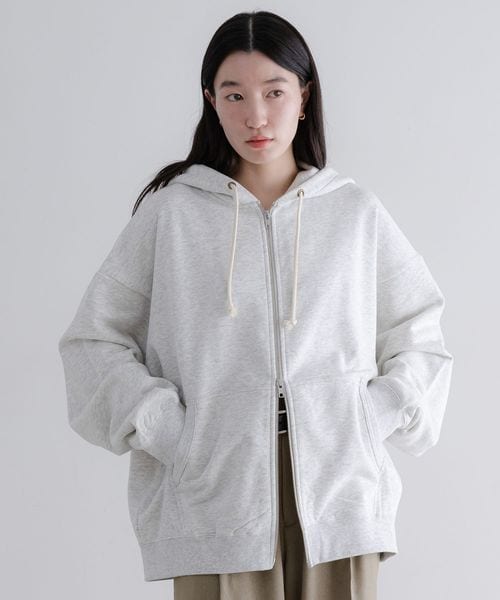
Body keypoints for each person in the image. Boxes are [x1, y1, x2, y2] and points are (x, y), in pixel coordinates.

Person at [58, 9, 454, 600]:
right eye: (234, 95)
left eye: (274, 91)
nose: (256, 116)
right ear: (211, 102)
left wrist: (368, 418)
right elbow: (93, 341)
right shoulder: (172, 215)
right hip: (214, 496)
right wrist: (174, 433)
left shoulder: (354, 213)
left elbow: (420, 334)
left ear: (304, 96)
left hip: (341, 495)